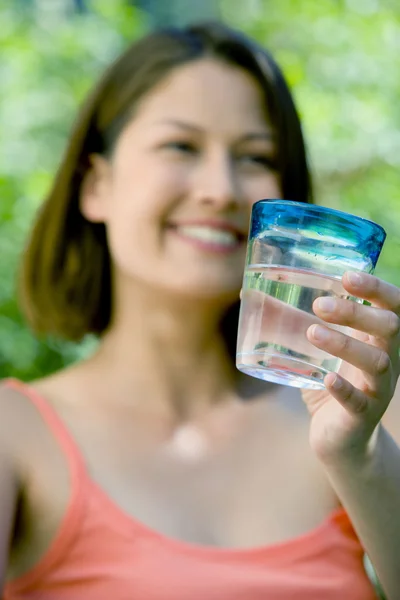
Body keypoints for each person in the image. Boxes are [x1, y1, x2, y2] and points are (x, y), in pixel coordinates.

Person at [0, 21, 399, 600]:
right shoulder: (14, 433)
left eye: (255, 156)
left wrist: (359, 461)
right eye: (180, 146)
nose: (221, 190)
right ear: (96, 185)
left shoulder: (363, 418)